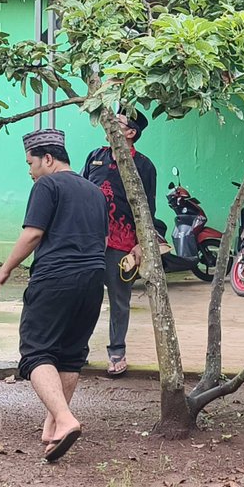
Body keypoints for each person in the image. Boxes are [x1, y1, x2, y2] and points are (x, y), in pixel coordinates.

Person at [0, 127, 108, 463]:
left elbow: (33, 235)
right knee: (70, 354)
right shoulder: (95, 191)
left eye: (31, 163)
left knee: (36, 351)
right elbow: (101, 240)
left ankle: (67, 419)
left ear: (47, 159)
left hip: (55, 277)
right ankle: (55, 426)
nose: (30, 171)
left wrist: (5, 269)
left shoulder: (48, 185)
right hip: (92, 280)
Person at [81, 109, 158, 378]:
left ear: (130, 132)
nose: (110, 124)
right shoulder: (95, 157)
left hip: (122, 245)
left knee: (119, 301)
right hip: (90, 244)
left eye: (118, 122)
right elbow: (80, 196)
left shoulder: (145, 166)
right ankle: (78, 352)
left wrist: (141, 245)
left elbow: (148, 209)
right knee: (83, 298)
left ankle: (117, 353)